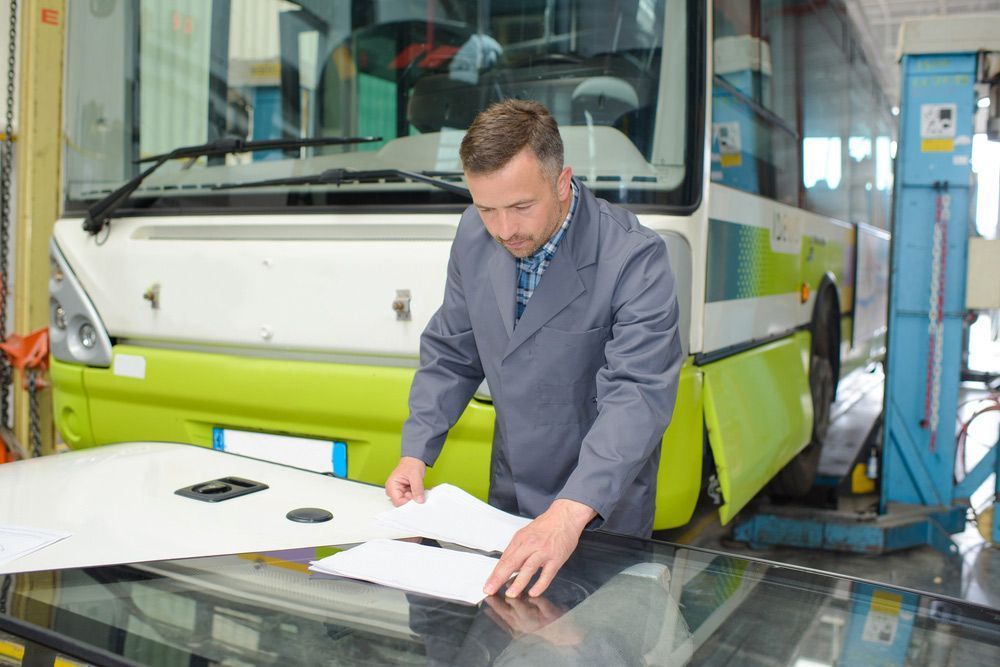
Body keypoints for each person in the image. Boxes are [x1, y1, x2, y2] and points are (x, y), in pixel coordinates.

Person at [385, 99, 682, 598]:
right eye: (487, 209)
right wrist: (416, 452)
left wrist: (570, 511)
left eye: (521, 207)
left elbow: (638, 396)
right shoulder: (474, 236)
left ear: (562, 182)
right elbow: (453, 350)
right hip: (510, 494)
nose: (504, 230)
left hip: (600, 508)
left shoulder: (635, 257)